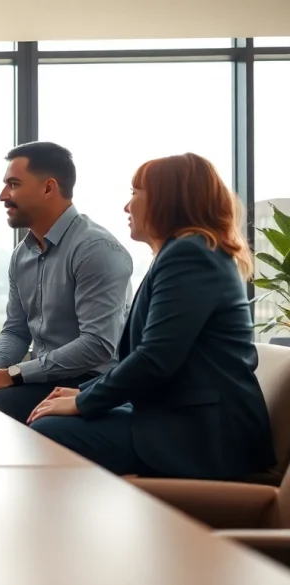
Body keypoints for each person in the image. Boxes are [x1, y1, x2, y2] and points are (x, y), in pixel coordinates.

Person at [29, 153, 276, 480]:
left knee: (49, 431)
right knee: (49, 420)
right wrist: (85, 394)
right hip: (179, 417)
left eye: (135, 193)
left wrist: (85, 401)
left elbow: (155, 359)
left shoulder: (190, 255)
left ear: (168, 198)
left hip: (200, 435)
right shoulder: (186, 252)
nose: (127, 207)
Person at [0, 142, 132, 422]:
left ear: (49, 188)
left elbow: (98, 344)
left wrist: (12, 375)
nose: (3, 195)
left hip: (90, 384)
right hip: (43, 380)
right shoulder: (21, 255)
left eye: (13, 184)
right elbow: (15, 332)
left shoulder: (95, 249)